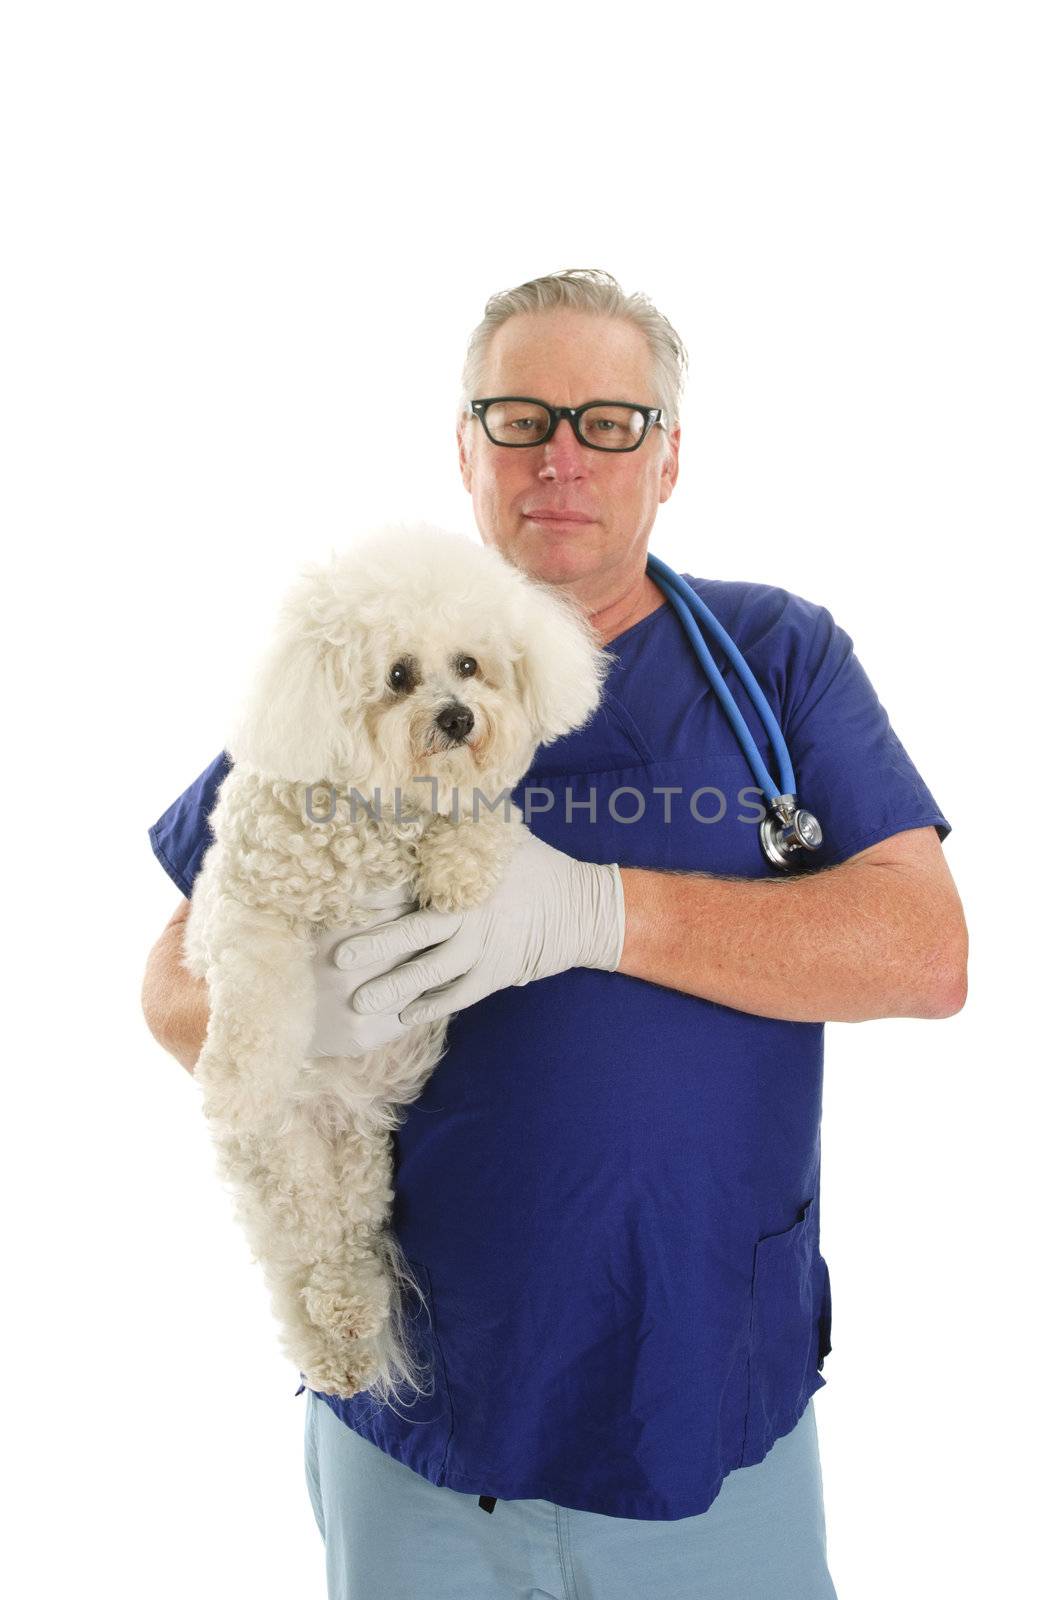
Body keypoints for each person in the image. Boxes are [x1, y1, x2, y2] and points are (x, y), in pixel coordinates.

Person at [142, 267, 967, 1599]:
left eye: (610, 421)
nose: (562, 457)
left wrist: (597, 911)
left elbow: (925, 957)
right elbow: (173, 981)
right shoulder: (357, 665)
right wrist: (300, 1012)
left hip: (702, 1413)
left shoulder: (778, 661)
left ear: (671, 457)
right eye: (520, 418)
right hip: (416, 1424)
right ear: (465, 447)